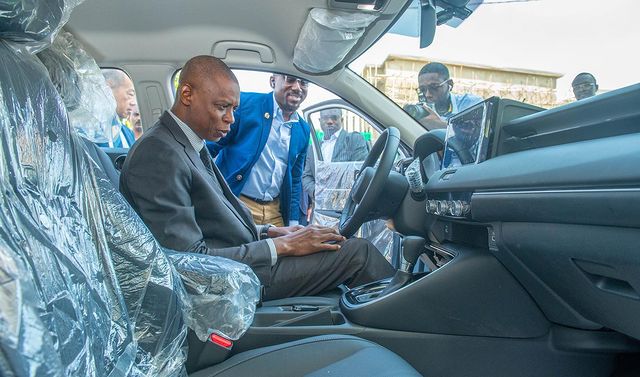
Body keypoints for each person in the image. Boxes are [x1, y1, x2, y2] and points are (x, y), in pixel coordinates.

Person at [120, 55, 395, 300]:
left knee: (338, 245)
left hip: (246, 251)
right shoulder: (159, 153)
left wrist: (275, 232)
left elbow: (214, 222)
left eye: (233, 110)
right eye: (221, 107)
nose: (230, 119)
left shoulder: (188, 143)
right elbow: (190, 262)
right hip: (236, 278)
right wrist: (281, 245)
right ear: (187, 95)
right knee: (359, 254)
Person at [207, 73, 310, 227]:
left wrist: (293, 221)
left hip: (274, 211)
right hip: (237, 203)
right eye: (290, 80)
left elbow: (295, 179)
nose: (297, 87)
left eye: (304, 83)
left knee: (283, 250)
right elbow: (209, 149)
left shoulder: (303, 129)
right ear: (273, 81)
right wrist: (207, 194)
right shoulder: (245, 105)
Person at [302, 108, 369, 200]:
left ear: (341, 120)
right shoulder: (313, 148)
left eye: (334, 118)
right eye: (325, 118)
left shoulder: (354, 139)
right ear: (320, 121)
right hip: (320, 206)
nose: (329, 121)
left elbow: (362, 172)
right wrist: (316, 192)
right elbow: (307, 176)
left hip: (347, 205)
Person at [409, 62, 483, 129]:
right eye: (422, 89)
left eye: (434, 87)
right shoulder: (420, 112)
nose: (427, 94)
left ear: (450, 84)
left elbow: (475, 136)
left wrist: (441, 125)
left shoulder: (471, 104)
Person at [103, 69, 136, 148]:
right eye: (130, 94)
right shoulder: (89, 134)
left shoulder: (129, 133)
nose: (134, 102)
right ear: (108, 87)